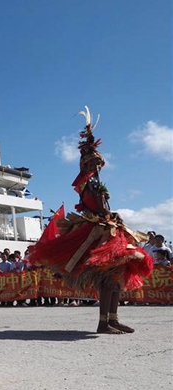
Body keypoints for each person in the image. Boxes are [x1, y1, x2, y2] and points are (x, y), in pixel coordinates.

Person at [27, 107, 153, 334]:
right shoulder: (90, 183)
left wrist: (112, 215)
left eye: (98, 163)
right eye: (94, 163)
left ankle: (112, 319)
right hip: (99, 231)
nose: (98, 167)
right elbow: (99, 207)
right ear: (86, 165)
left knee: (115, 278)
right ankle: (104, 322)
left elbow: (103, 208)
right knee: (108, 277)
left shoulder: (93, 183)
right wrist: (110, 215)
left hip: (106, 226)